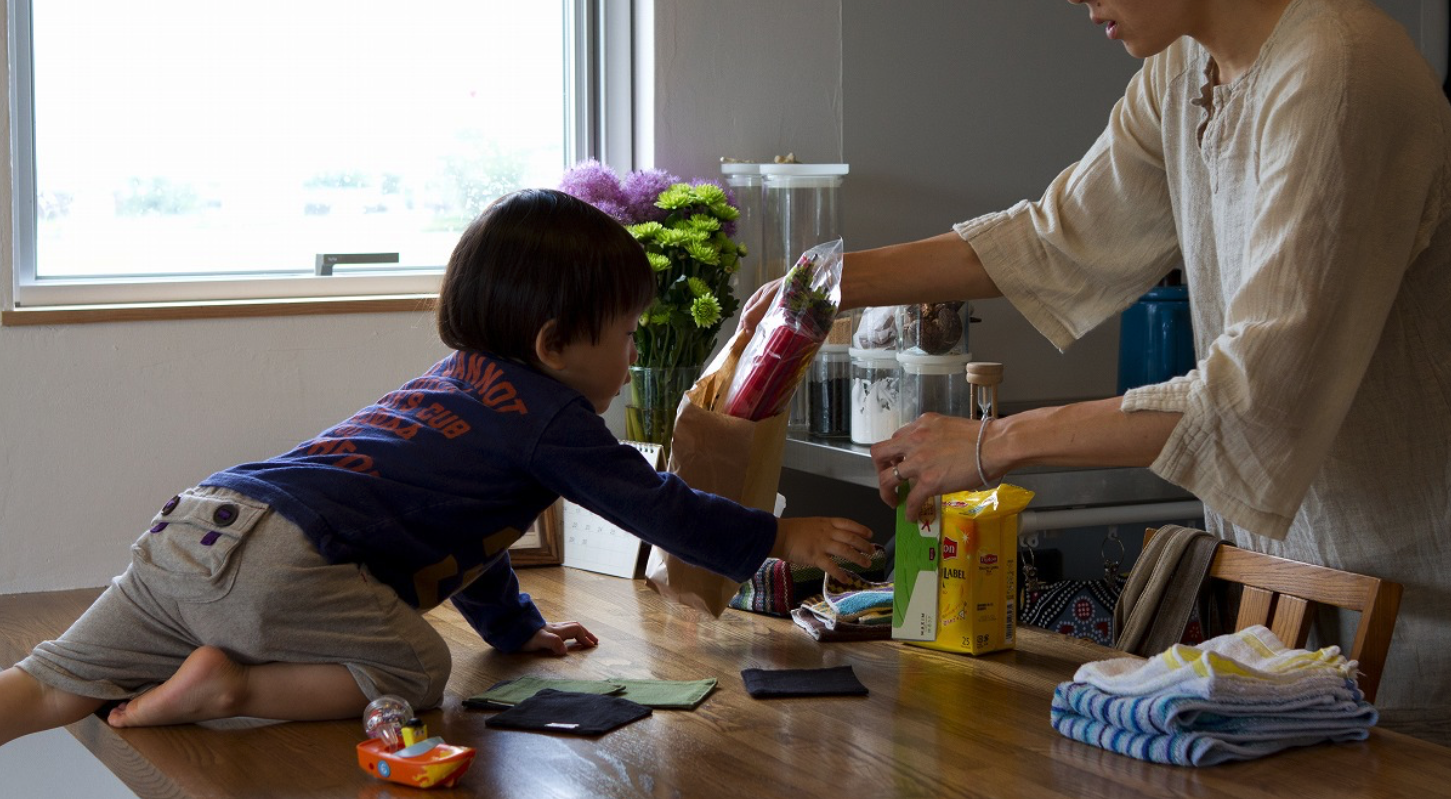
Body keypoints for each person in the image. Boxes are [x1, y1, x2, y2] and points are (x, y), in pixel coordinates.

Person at [840, 0, 1451, 769]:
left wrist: (993, 445)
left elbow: (1251, 398)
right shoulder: (1186, 73)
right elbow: (1053, 237)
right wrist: (817, 282)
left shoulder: (1337, 70)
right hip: (1311, 598)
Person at [0, 188, 874, 748]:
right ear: (556, 344)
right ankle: (231, 687)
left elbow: (463, 529)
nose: (634, 350)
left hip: (199, 520)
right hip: (287, 558)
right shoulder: (552, 418)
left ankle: (181, 670)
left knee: (48, 684)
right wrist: (776, 534)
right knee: (416, 672)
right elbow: (654, 504)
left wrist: (509, 629)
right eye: (626, 334)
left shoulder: (454, 382)